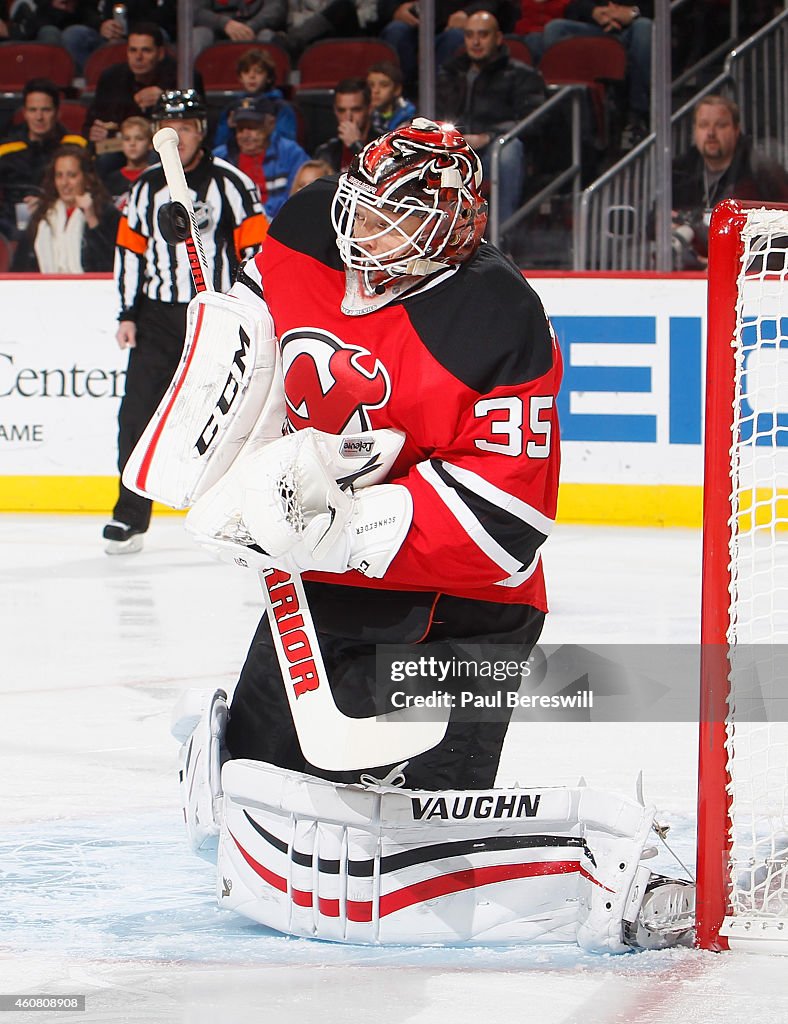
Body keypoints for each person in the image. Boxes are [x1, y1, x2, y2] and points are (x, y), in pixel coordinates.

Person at [172, 118, 696, 953]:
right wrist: (232, 445)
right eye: (362, 206)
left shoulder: (499, 317)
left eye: (393, 218)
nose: (362, 231)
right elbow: (258, 344)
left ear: (452, 227)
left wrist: (337, 525)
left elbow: (506, 522)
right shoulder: (310, 226)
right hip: (320, 597)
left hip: (467, 619)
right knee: (257, 782)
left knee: (430, 843)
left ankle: (625, 881)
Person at [104, 89, 268, 554]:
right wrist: (127, 313)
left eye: (189, 125)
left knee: (233, 416)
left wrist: (248, 309)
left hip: (214, 316)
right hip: (157, 318)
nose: (181, 135)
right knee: (135, 417)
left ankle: (242, 516)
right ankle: (129, 516)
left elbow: (254, 254)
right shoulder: (143, 187)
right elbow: (129, 253)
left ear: (202, 130)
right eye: (172, 124)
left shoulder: (233, 184)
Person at [436, 10, 545, 225]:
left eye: (483, 35)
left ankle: (501, 239)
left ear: (498, 38)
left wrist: (488, 137)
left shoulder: (520, 75)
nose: (475, 42)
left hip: (492, 151)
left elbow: (533, 120)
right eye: (469, 35)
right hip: (454, 150)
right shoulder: (449, 73)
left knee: (507, 150)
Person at [671, 94, 788, 269]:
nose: (711, 133)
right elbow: (654, 223)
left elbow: (780, 230)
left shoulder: (760, 170)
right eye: (704, 125)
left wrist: (729, 265)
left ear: (736, 130)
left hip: (746, 274)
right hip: (691, 270)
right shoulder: (679, 171)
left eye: (720, 125)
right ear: (694, 131)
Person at [82, 23, 202, 169]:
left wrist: (165, 99)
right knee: (104, 159)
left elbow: (198, 117)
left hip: (161, 146)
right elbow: (91, 124)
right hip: (121, 147)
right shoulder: (111, 77)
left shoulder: (183, 76)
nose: (138, 57)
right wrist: (95, 131)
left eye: (146, 51)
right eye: (133, 50)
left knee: (156, 157)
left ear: (160, 53)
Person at [541, 1, 653, 149]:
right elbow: (572, 6)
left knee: (644, 26)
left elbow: (656, 7)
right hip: (597, 28)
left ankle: (637, 115)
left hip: (632, 27)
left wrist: (631, 13)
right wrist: (594, 12)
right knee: (554, 28)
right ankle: (558, 111)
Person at [10, 144, 120, 272]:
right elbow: (21, 265)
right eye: (59, 175)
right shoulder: (43, 214)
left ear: (87, 178)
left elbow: (110, 264)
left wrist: (91, 219)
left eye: (72, 175)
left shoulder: (105, 212)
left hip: (91, 289)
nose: (64, 183)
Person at [0, 78, 88, 239]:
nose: (39, 117)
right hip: (11, 225)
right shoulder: (5, 149)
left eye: (45, 110)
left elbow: (89, 192)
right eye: (33, 110)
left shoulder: (76, 147)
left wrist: (48, 204)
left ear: (57, 112)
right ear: (25, 113)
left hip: (61, 222)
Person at [212, 96, 309, 219]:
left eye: (253, 128)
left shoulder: (291, 153)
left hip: (282, 224)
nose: (246, 135)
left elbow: (298, 197)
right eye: (241, 128)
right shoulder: (220, 158)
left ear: (270, 125)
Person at [212, 47, 298, 150]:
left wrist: (267, 129)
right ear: (240, 77)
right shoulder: (232, 108)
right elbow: (220, 144)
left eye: (258, 72)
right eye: (246, 72)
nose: (251, 76)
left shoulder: (280, 108)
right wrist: (230, 129)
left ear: (269, 78)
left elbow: (286, 144)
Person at [313, 78, 372, 173]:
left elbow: (382, 179)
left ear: (369, 109)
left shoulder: (386, 143)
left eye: (356, 110)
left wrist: (356, 145)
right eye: (341, 110)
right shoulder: (325, 152)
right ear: (335, 111)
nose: (348, 118)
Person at [192, 0, 286, 55]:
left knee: (266, 36)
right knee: (198, 36)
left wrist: (250, 27)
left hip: (254, 29)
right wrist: (224, 23)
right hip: (217, 29)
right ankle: (189, 87)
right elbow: (194, 10)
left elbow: (275, 9)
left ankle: (267, 88)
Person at [101, 114, 154, 208]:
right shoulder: (110, 181)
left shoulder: (155, 177)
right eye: (127, 139)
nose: (132, 143)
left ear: (150, 144)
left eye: (139, 138)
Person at [366, 61, 416, 138]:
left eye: (384, 85)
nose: (375, 91)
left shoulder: (410, 117)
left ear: (397, 89)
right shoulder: (368, 115)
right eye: (371, 85)